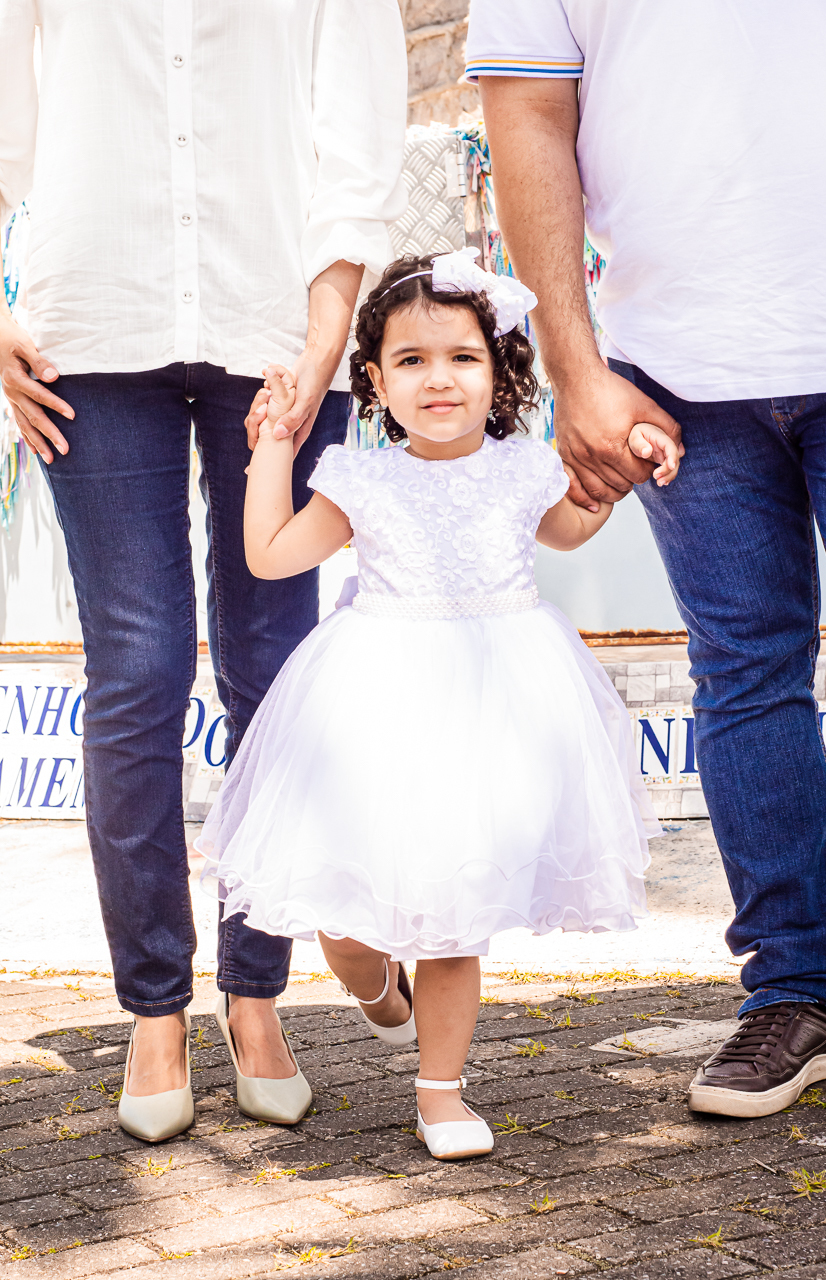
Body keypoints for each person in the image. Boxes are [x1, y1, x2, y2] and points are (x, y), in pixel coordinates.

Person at [0, 1, 407, 1141]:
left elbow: (356, 133)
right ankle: (153, 1009)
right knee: (132, 670)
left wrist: (328, 343)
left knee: (271, 672)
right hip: (93, 319)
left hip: (278, 329)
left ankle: (256, 994)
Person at [197, 249, 677, 1159]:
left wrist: (624, 462)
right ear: (375, 381)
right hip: (376, 698)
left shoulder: (523, 466)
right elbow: (267, 556)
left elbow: (571, 528)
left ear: (497, 371)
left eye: (460, 356)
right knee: (339, 918)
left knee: (457, 910)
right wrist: (270, 449)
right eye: (410, 361)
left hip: (498, 698)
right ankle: (371, 981)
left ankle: (441, 1091)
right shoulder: (360, 476)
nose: (438, 378)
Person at [466, 0, 826, 1118]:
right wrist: (575, 369)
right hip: (677, 362)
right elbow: (526, 114)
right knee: (743, 673)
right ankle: (796, 990)